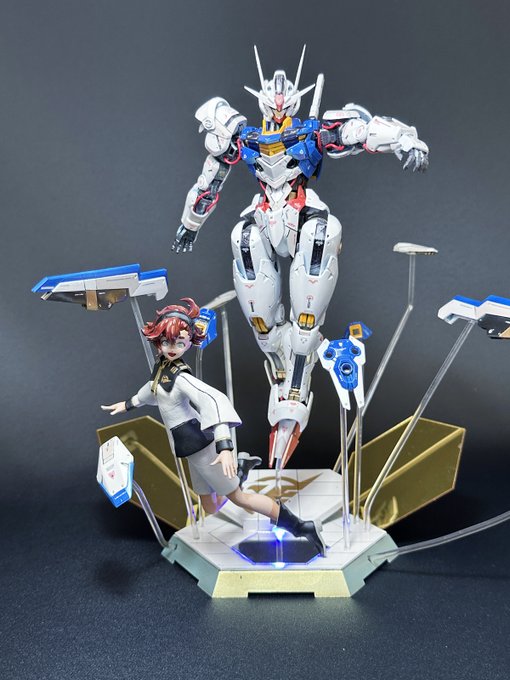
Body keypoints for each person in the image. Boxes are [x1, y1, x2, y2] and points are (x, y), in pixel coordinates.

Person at [101, 297, 326, 556]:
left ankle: (301, 527)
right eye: (167, 342)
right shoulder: (163, 368)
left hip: (204, 449)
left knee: (241, 500)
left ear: (189, 341)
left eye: (180, 342)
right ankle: (240, 471)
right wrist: (128, 404)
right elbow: (152, 391)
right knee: (209, 506)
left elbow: (214, 401)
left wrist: (225, 447)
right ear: (158, 340)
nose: (173, 348)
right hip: (189, 449)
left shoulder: (182, 378)